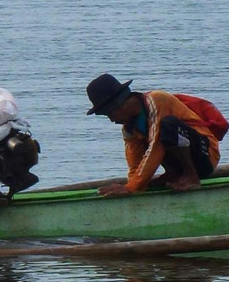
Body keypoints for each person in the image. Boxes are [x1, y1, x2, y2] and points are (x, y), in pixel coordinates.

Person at [85, 73, 220, 197]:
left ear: (120, 104)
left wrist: (131, 188)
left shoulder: (157, 100)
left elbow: (156, 147)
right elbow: (134, 164)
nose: (112, 120)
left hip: (205, 157)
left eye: (110, 114)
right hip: (179, 164)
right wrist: (132, 186)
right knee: (154, 139)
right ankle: (173, 173)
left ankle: (191, 176)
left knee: (168, 125)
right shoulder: (129, 129)